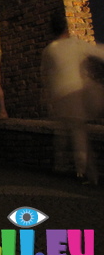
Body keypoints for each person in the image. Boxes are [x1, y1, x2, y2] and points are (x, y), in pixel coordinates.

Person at [41, 12, 104, 185]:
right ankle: (82, 172)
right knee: (78, 134)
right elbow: (98, 52)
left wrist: (47, 99)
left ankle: (62, 167)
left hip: (58, 97)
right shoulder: (74, 44)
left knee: (62, 134)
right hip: (74, 95)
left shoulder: (48, 51)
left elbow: (45, 76)